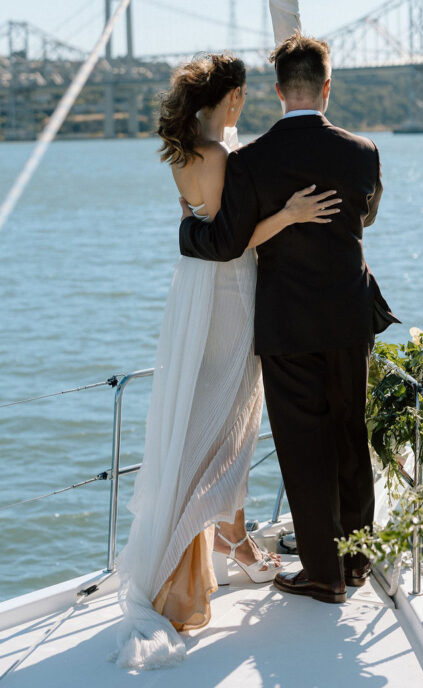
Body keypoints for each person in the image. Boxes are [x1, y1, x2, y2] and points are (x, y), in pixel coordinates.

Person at [112, 52, 339, 670]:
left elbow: (199, 224)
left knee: (206, 408)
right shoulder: (220, 157)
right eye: (240, 96)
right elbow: (235, 239)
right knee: (234, 409)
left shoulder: (187, 151)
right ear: (230, 97)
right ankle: (220, 536)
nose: (244, 105)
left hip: (193, 289)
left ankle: (223, 534)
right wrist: (289, 214)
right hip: (229, 291)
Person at [179, 34, 398, 605]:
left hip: (286, 326)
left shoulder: (250, 160)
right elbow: (365, 216)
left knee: (303, 448)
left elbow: (226, 244)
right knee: (351, 438)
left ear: (278, 91)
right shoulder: (364, 151)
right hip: (349, 320)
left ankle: (322, 573)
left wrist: (186, 229)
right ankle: (355, 562)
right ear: (327, 87)